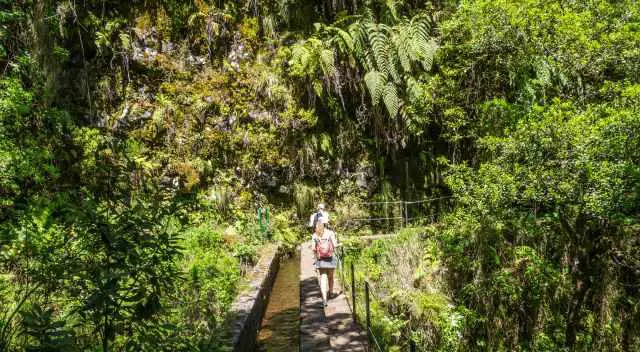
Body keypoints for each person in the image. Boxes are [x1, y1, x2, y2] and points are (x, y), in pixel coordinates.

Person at [312, 218, 339, 307]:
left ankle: (324, 300)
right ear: (324, 225)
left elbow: (313, 249)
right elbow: (335, 245)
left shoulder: (315, 235)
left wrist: (315, 261)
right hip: (330, 258)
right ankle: (331, 293)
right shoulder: (330, 233)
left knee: (323, 278)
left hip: (321, 260)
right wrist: (340, 244)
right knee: (330, 277)